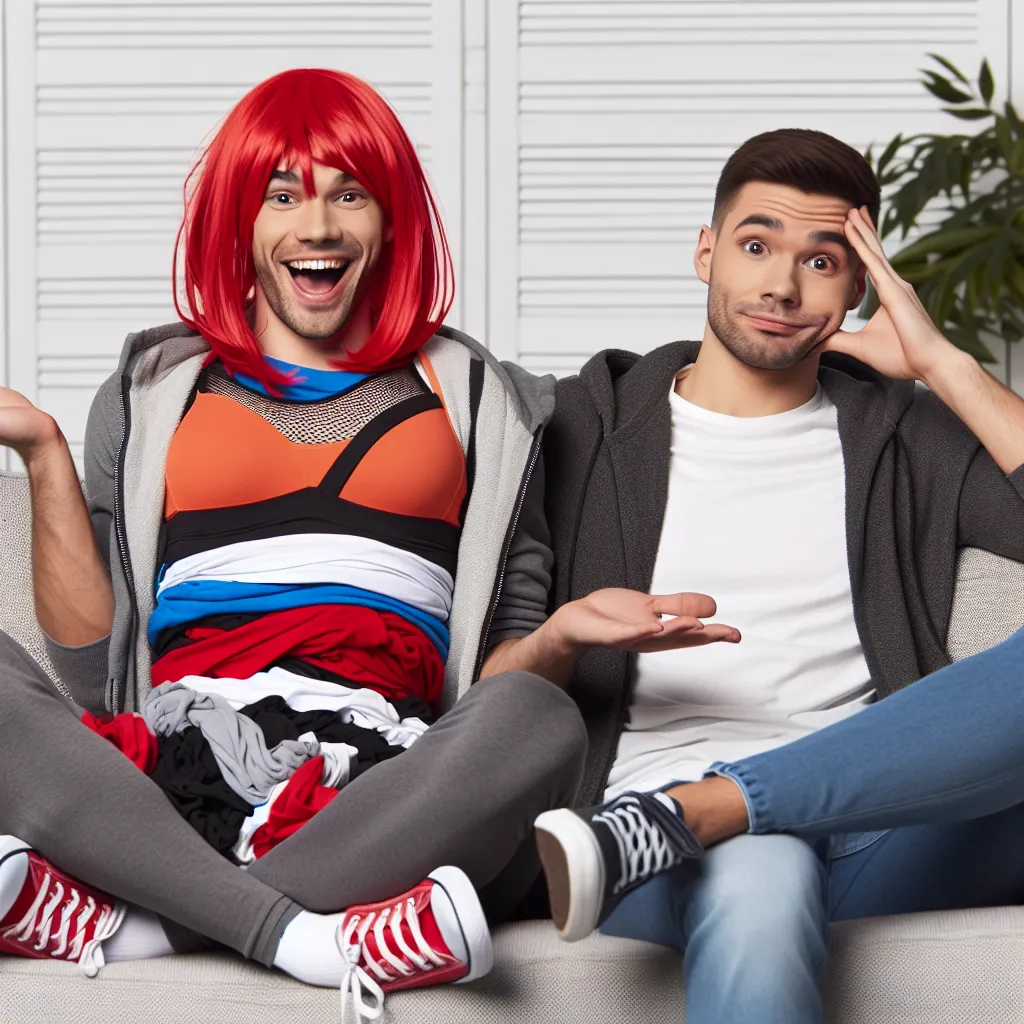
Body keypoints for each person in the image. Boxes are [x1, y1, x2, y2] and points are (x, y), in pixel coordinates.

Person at [0, 68, 738, 1021]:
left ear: (390, 223)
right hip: (171, 762)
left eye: (350, 193)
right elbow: (96, 677)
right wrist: (44, 454)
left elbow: (498, 660)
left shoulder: (485, 401)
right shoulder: (150, 391)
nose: (317, 227)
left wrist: (562, 637)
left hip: (376, 783)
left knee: (543, 721)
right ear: (239, 220)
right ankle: (314, 937)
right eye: (283, 196)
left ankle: (147, 920)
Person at [505, 128, 1024, 1024]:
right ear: (705, 252)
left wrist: (946, 364)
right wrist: (563, 635)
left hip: (879, 822)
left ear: (860, 287)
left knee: (759, 839)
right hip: (642, 839)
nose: (782, 286)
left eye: (821, 261)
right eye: (755, 246)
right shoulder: (578, 427)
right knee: (762, 864)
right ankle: (704, 816)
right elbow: (485, 693)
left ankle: (719, 806)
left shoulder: (906, 438)